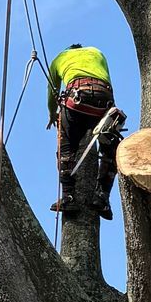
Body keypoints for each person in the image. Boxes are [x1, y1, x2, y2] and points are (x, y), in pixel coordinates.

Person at [46, 43, 124, 220]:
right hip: (104, 102)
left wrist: (52, 113)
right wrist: (108, 115)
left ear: (69, 51)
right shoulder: (97, 52)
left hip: (77, 99)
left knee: (66, 149)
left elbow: (52, 91)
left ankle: (68, 197)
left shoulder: (59, 58)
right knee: (109, 151)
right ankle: (102, 197)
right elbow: (107, 81)